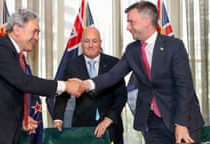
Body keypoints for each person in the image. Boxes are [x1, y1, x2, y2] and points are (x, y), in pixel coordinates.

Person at [79, 1, 204, 144]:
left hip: (181, 120)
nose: (128, 27)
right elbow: (113, 75)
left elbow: (185, 87)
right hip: (152, 123)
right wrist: (85, 84)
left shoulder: (174, 46)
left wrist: (181, 123)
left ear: (147, 22)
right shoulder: (132, 50)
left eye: (131, 22)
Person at [0, 9, 83, 144]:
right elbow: (24, 82)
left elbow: (5, 92)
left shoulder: (16, 56)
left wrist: (21, 118)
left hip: (3, 131)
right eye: (34, 31)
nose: (37, 37)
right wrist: (65, 85)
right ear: (17, 29)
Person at [53, 27, 127, 144]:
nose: (90, 45)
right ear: (82, 43)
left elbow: (121, 95)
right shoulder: (72, 65)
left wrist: (109, 119)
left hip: (110, 127)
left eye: (94, 41)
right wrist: (58, 119)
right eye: (87, 41)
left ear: (100, 43)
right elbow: (62, 95)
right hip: (82, 127)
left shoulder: (113, 63)